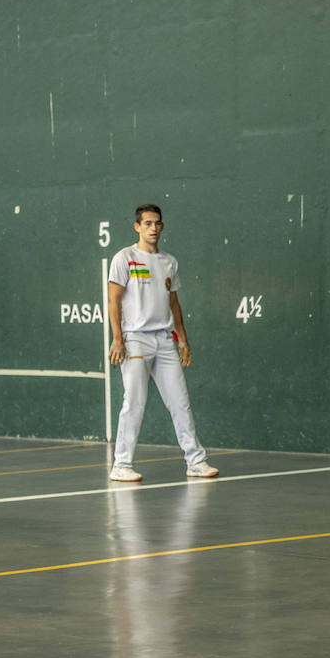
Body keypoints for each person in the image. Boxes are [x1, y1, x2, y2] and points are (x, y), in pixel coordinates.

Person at [107, 203, 217, 482]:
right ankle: (121, 465)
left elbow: (173, 302)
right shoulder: (124, 258)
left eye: (157, 223)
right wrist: (118, 339)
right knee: (135, 402)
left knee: (181, 402)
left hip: (166, 340)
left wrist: (182, 339)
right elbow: (113, 301)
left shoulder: (170, 262)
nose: (153, 228)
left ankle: (195, 461)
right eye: (147, 224)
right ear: (137, 227)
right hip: (135, 341)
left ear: (162, 226)